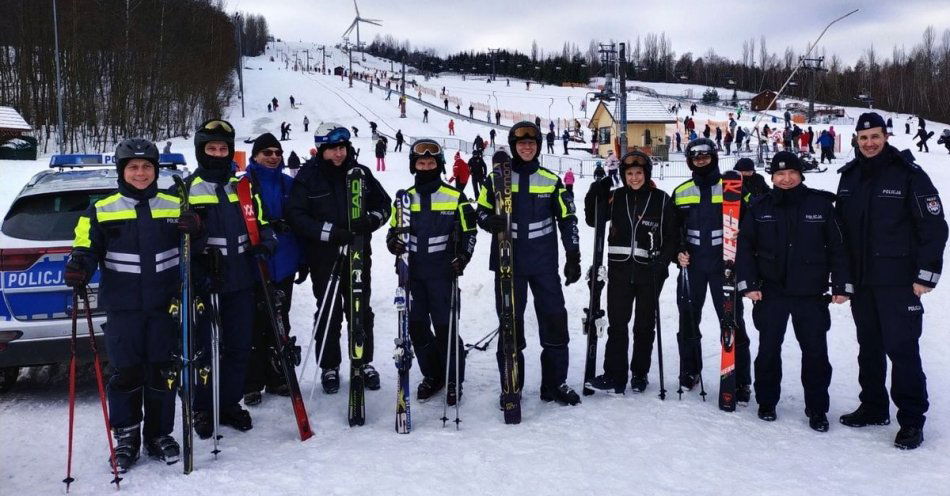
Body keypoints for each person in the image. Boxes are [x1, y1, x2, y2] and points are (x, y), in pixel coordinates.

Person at [65, 138, 183, 470]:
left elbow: (194, 247)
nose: (141, 173)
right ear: (122, 171)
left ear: (156, 170)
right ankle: (127, 438)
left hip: (165, 305)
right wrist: (79, 267)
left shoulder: (175, 205)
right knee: (126, 374)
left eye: (147, 167)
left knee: (163, 372)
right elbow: (85, 247)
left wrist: (196, 229)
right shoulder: (101, 209)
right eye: (133, 167)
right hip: (123, 308)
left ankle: (159, 434)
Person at [835, 112, 948, 450]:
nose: (869, 143)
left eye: (875, 137)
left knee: (902, 349)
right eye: (864, 137)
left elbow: (934, 227)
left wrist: (925, 275)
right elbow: (840, 230)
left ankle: (912, 420)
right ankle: (873, 406)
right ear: (857, 139)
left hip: (899, 282)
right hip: (863, 281)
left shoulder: (909, 174)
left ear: (886, 137)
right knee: (868, 346)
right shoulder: (849, 177)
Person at [175, 119, 277, 437]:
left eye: (223, 148)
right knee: (205, 347)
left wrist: (265, 245)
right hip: (205, 280)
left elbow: (261, 222)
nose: (218, 154)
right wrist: (198, 263)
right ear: (200, 151)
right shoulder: (185, 189)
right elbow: (175, 239)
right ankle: (202, 407)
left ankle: (229, 402)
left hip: (242, 279)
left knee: (238, 346)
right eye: (212, 148)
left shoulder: (244, 186)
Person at [737, 151, 853, 431]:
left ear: (801, 175)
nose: (786, 179)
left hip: (810, 293)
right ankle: (767, 402)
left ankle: (817, 409)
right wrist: (748, 284)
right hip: (771, 292)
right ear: (772, 177)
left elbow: (838, 248)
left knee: (815, 353)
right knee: (767, 351)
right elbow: (745, 249)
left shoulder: (821, 205)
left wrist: (842, 284)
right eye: (779, 174)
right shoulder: (759, 206)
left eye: (791, 173)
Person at [476, 121, 583, 407]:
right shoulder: (496, 179)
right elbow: (481, 211)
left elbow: (567, 218)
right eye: (522, 144)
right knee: (511, 323)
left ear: (537, 147)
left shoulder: (549, 179)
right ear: (513, 146)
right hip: (508, 261)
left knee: (554, 319)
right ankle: (512, 384)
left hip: (543, 263)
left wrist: (573, 254)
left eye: (532, 144)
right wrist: (489, 221)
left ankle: (554, 382)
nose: (527, 148)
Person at [288, 124, 391, 394]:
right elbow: (298, 216)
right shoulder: (309, 177)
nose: (339, 154)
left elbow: (384, 205)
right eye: (333, 149)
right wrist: (330, 233)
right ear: (322, 149)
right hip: (324, 255)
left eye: (342, 148)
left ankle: (363, 360)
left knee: (360, 308)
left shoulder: (360, 173)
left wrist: (370, 221)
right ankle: (329, 365)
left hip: (358, 253)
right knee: (328, 311)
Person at [386, 140, 477, 404]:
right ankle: (433, 374)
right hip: (412, 275)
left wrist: (464, 256)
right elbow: (393, 231)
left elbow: (470, 232)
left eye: (431, 163)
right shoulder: (405, 199)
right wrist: (393, 243)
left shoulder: (455, 197)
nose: (426, 167)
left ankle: (453, 378)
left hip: (442, 274)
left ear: (439, 165)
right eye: (421, 163)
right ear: (414, 166)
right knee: (417, 329)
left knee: (445, 328)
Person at [583, 152, 677, 393]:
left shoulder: (661, 200)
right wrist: (597, 188)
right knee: (618, 324)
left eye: (638, 173)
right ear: (624, 176)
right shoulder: (616, 198)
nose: (634, 178)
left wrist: (663, 263)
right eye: (629, 174)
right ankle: (614, 374)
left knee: (644, 326)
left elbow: (672, 236)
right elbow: (593, 218)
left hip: (650, 272)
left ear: (646, 174)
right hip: (620, 271)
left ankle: (639, 373)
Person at [672, 138, 752, 399]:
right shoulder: (682, 191)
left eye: (705, 157)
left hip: (724, 264)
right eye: (696, 158)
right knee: (688, 319)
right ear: (690, 161)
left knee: (732, 320)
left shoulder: (731, 187)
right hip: (693, 265)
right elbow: (672, 231)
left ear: (714, 158)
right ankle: (690, 370)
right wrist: (678, 252)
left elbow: (754, 219)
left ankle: (739, 378)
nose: (701, 161)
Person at [242, 133, 305, 407]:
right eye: (266, 152)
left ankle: (277, 376)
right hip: (256, 264)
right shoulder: (243, 185)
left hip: (285, 261)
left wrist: (302, 260)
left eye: (277, 152)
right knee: (254, 325)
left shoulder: (289, 183)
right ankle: (252, 382)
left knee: (280, 320)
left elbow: (302, 222)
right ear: (255, 156)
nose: (273, 157)